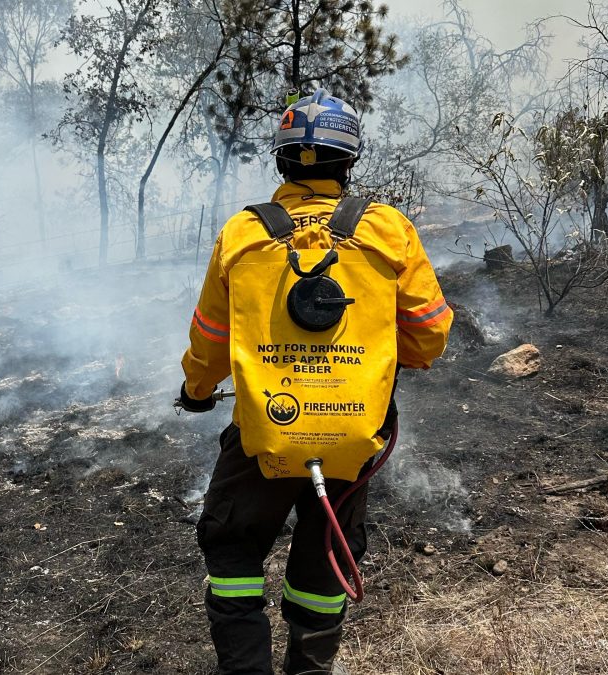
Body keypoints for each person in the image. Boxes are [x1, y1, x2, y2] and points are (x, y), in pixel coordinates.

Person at [178, 89, 453, 674]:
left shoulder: (244, 235)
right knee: (326, 558)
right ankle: (309, 668)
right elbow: (429, 334)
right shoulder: (385, 229)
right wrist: (377, 353)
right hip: (355, 437)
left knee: (230, 544)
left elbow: (210, 336)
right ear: (348, 162)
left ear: (280, 161)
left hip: (264, 436)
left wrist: (196, 392)